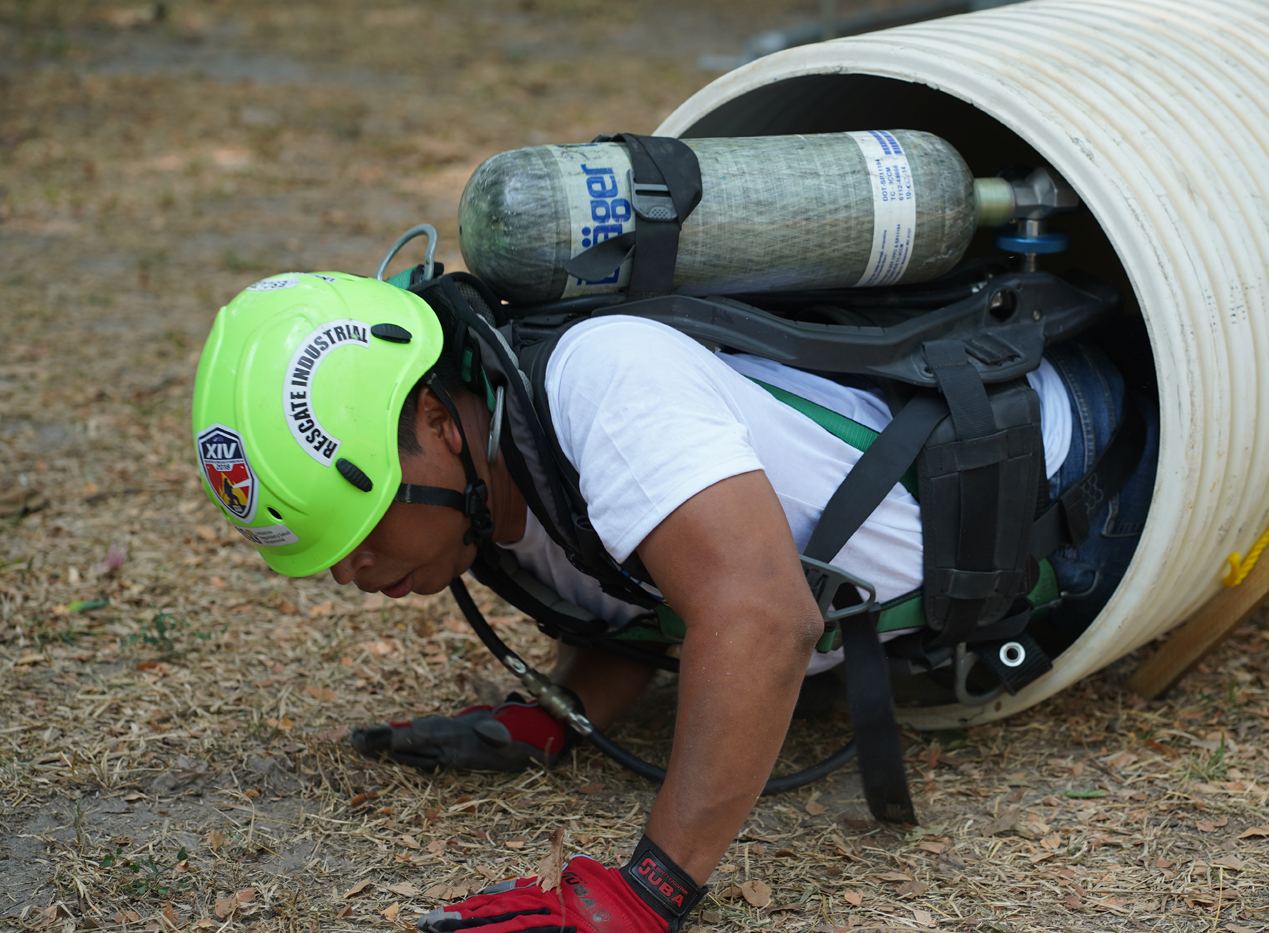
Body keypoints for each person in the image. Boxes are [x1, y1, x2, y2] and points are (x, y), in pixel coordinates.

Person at [192, 270, 1157, 933]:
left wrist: (650, 887)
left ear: (439, 422)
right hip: (997, 551)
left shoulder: (603, 381)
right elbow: (647, 596)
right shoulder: (488, 496)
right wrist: (551, 716)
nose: (351, 572)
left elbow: (760, 618)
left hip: (1088, 491)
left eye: (363, 528)